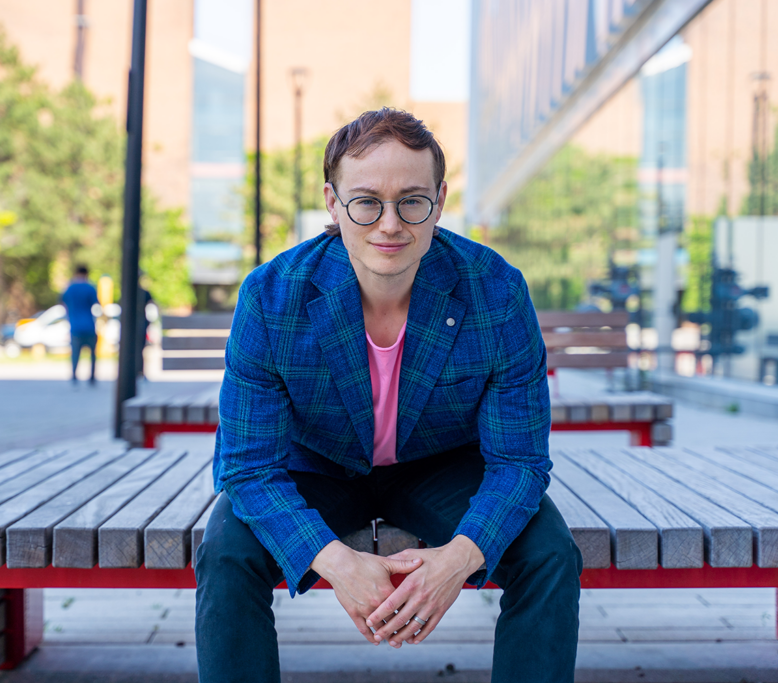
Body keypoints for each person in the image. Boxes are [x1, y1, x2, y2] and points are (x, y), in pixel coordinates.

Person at [194, 108, 581, 683]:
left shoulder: (495, 291)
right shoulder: (272, 298)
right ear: (333, 202)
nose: (390, 224)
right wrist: (335, 561)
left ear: (441, 201)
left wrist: (459, 559)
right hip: (316, 464)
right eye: (366, 200)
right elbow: (248, 468)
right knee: (225, 552)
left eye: (412, 200)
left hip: (440, 466)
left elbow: (519, 462)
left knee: (551, 554)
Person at [61, 264, 99, 386]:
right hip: (89, 325)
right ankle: (92, 377)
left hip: (75, 326)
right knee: (92, 354)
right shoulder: (90, 287)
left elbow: (64, 303)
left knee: (75, 353)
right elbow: (96, 304)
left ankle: (74, 376)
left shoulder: (70, 288)